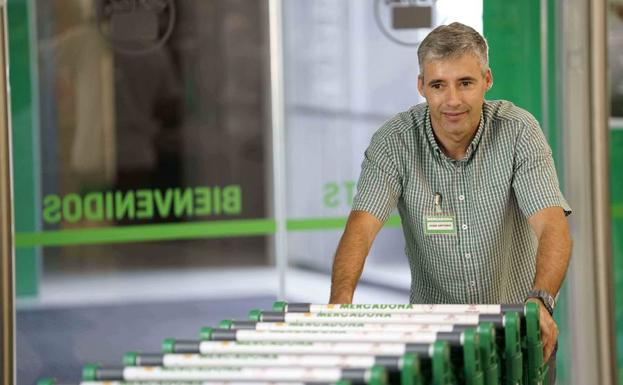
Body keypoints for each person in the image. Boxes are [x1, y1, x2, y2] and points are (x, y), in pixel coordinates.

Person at [328, 22, 572, 379]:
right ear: (421, 86)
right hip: (432, 339)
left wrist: (541, 302)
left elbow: (552, 225)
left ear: (487, 81)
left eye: (466, 83)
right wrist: (341, 302)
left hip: (519, 333)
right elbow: (361, 229)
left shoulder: (519, 131)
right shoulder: (394, 142)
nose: (453, 100)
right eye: (439, 85)